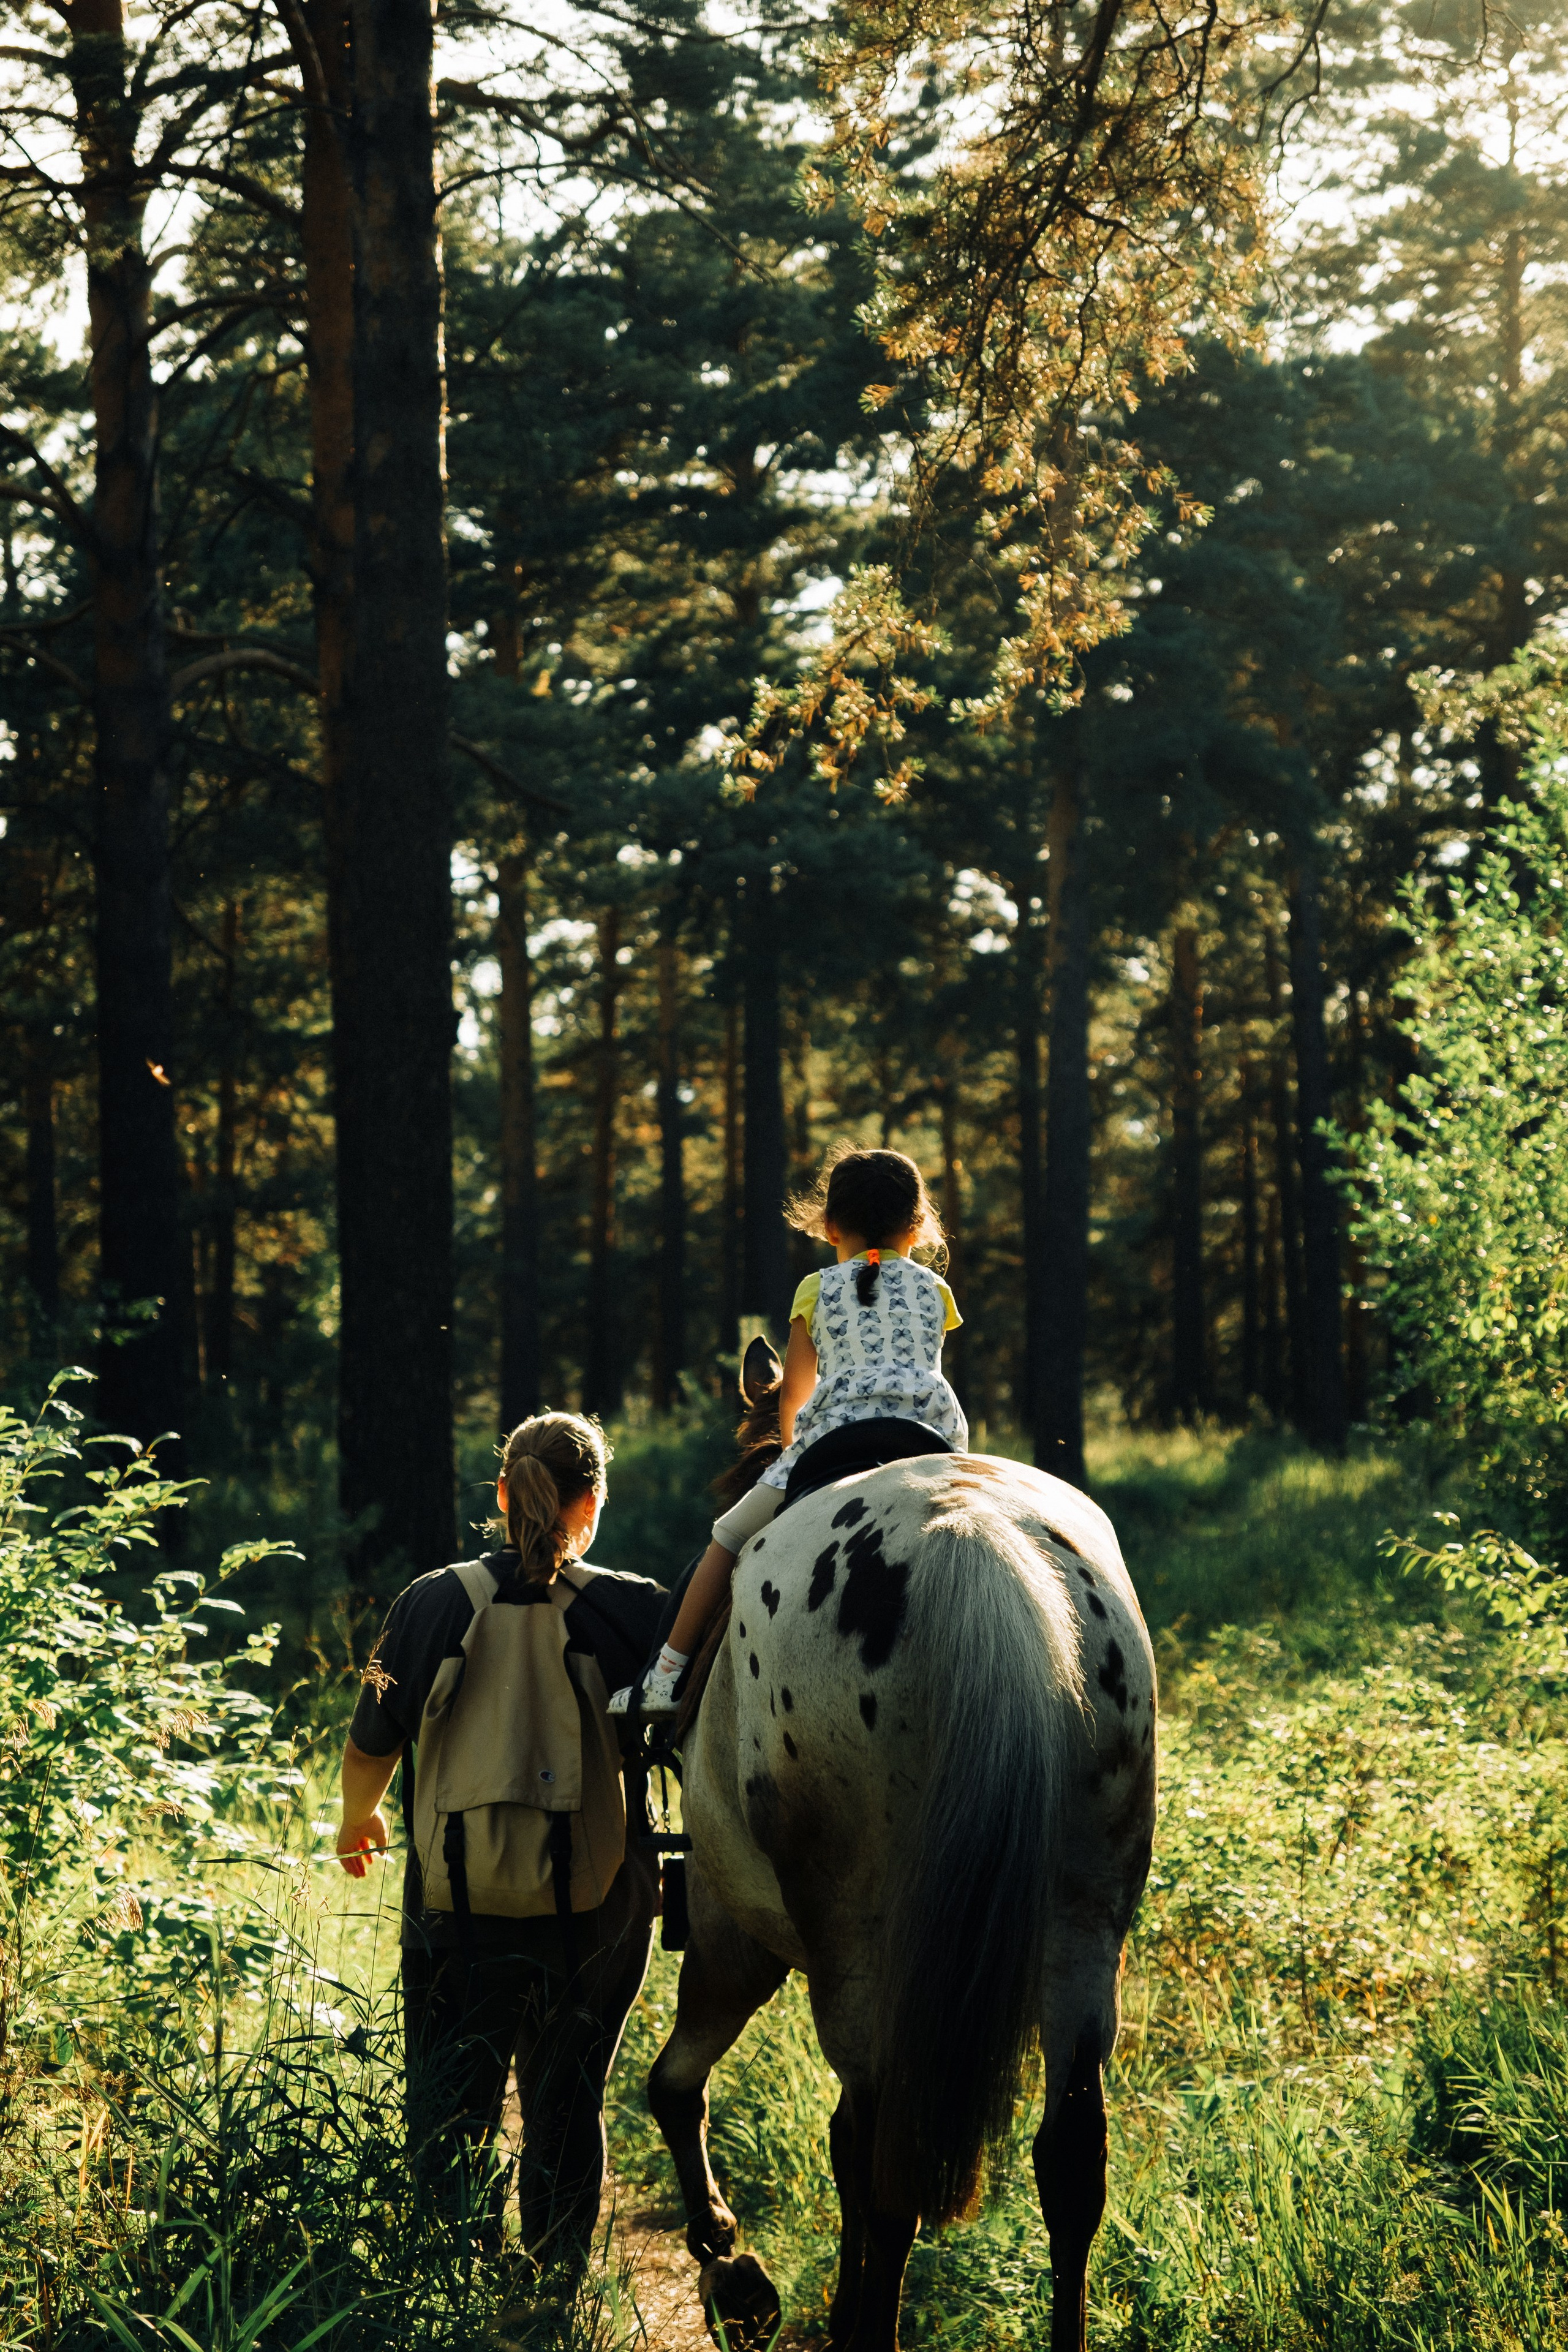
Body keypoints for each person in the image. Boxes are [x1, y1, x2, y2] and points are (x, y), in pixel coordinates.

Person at [336, 1411, 666, 2266]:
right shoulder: (634, 1611)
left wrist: (357, 1817)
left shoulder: (430, 1601)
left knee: (452, 2096)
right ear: (591, 1504)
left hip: (456, 1903)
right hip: (590, 1909)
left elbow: (373, 1735)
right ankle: (552, 2291)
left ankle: (452, 2272)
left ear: (501, 1493)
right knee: (567, 2098)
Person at [609, 1146, 965, 1718]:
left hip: (837, 1437)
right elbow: (926, 1368)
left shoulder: (815, 1289)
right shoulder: (936, 1291)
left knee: (725, 1538)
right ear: (919, 1225)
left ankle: (667, 1674)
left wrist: (795, 1445)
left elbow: (796, 1395)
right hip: (932, 1437)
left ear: (828, 1228)